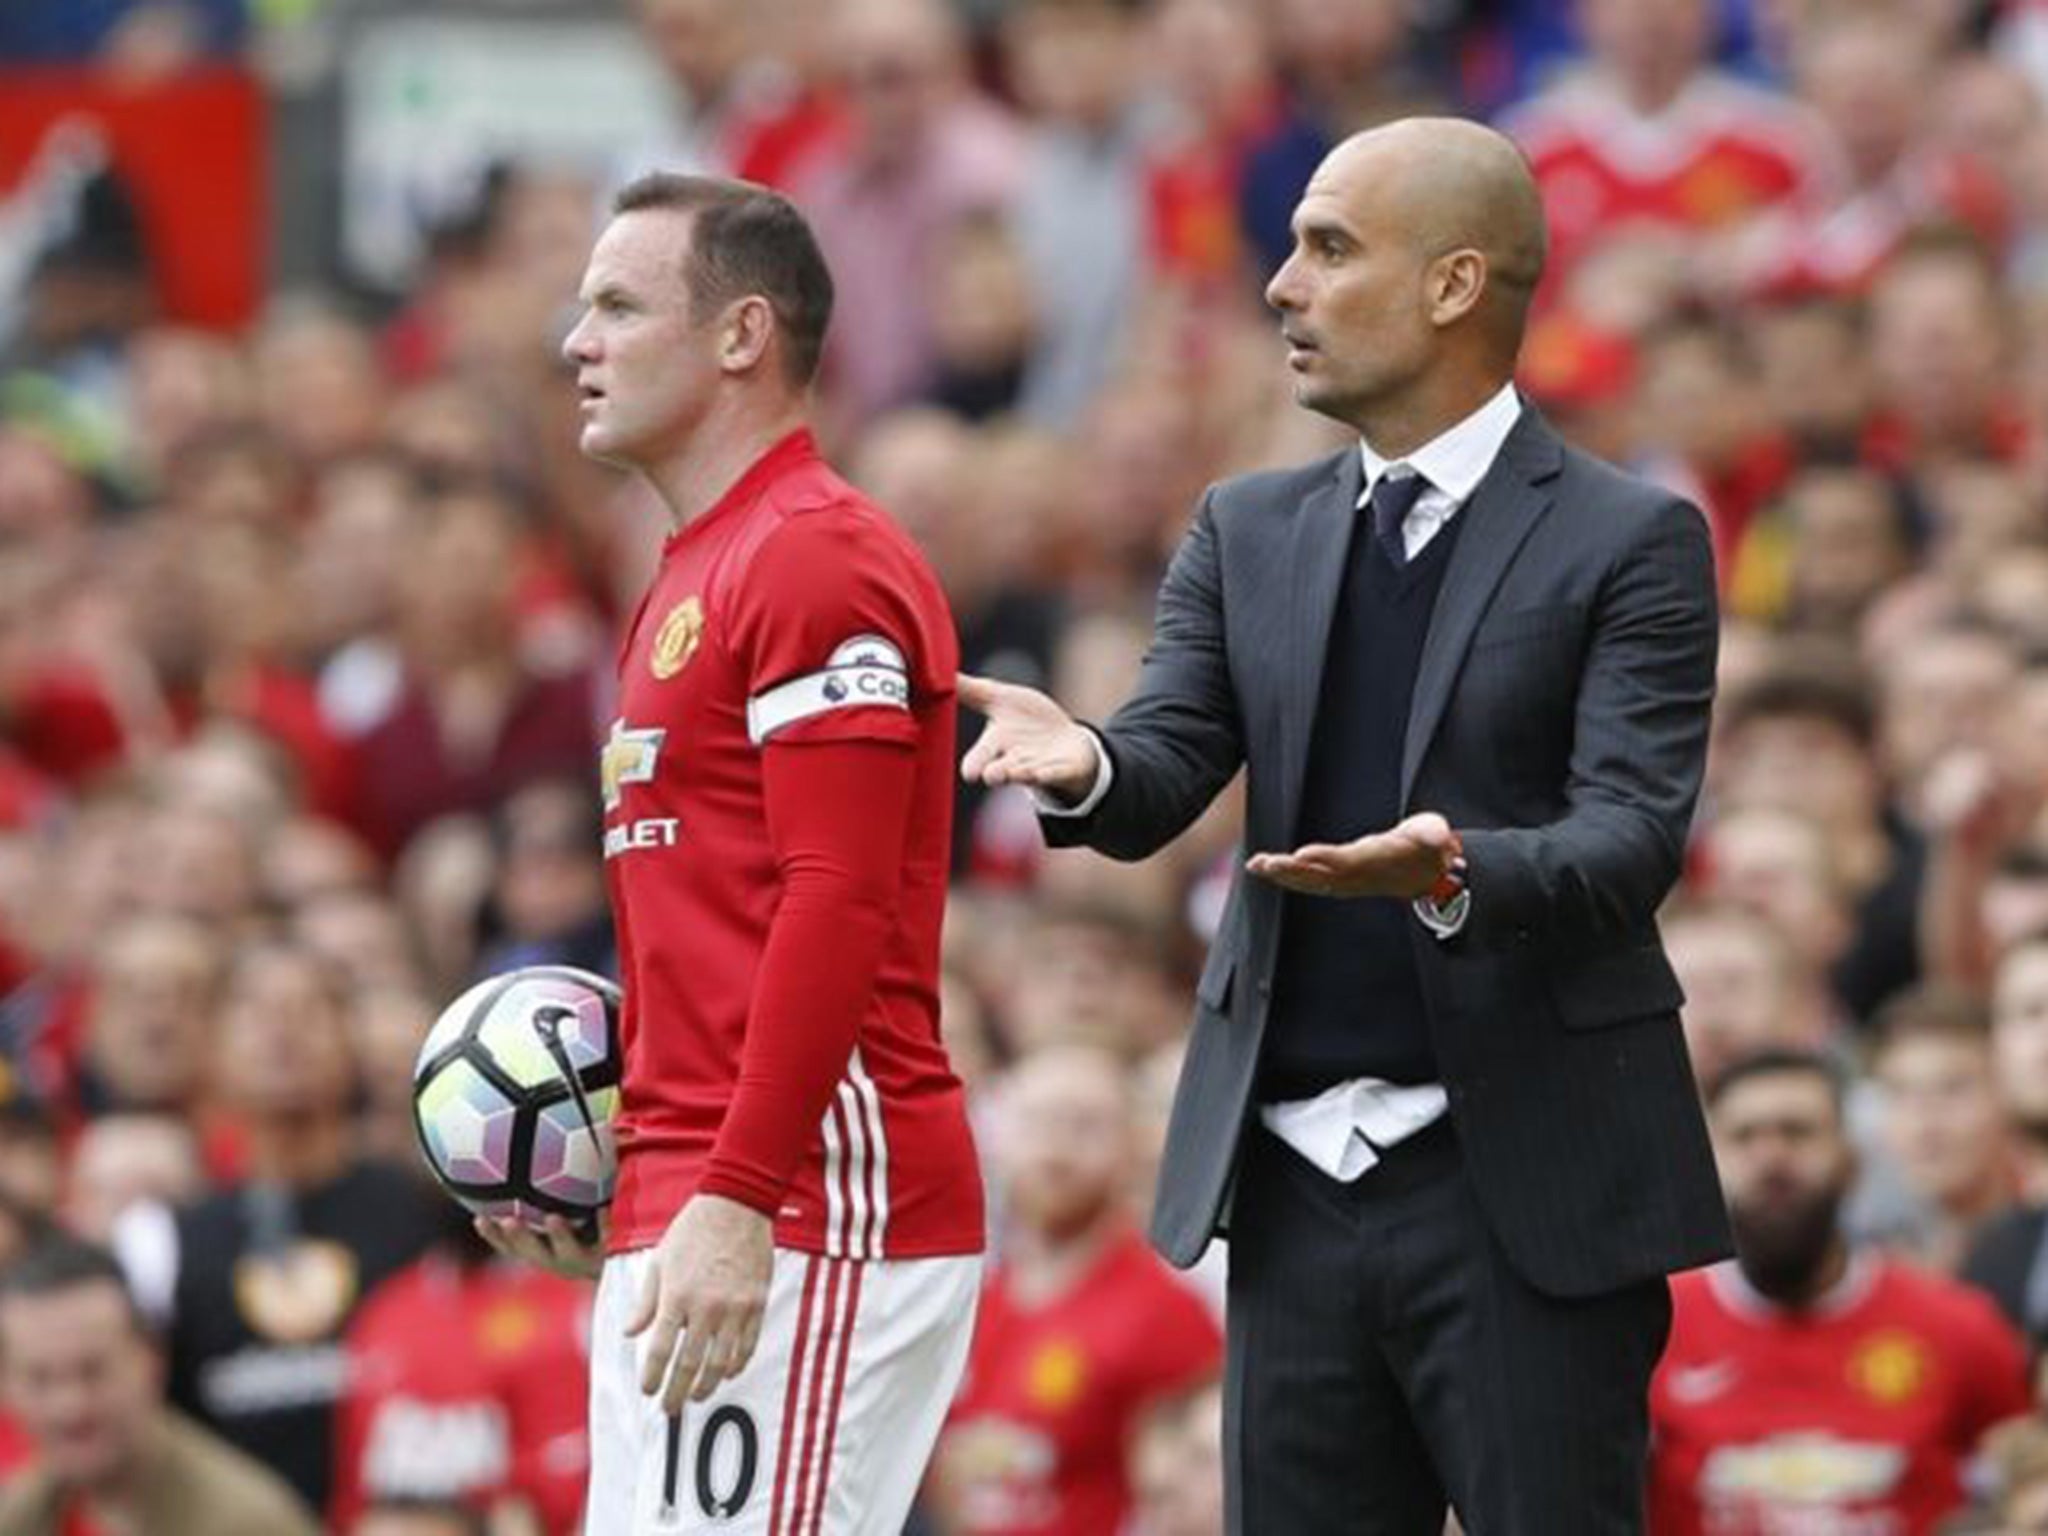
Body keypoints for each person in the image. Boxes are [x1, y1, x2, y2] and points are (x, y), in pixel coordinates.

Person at [960, 117, 1729, 1532]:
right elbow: (1166, 761)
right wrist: (1078, 766)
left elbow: (1630, 837)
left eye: (1329, 247)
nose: (1280, 286)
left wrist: (1449, 872)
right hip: (1294, 1183)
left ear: (1451, 286)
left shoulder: (1630, 539)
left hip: (1528, 1190)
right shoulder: (1246, 526)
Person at [479, 173, 983, 1535]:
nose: (574, 341)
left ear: (741, 336)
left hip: (815, 1201)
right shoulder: (687, 575)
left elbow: (839, 896)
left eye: (616, 305)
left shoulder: (816, 556)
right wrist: (635, 1175)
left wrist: (737, 1195)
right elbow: (711, 936)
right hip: (701, 1198)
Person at [1650, 1050, 2029, 1533]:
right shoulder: (1654, 1328)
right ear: (1705, 1165)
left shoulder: (1959, 1327)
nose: (1772, 1158)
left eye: (1798, 1132)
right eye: (1744, 1137)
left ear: (1851, 1160)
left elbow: (2027, 1486)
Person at [932, 1046, 1221, 1534]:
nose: (1056, 1146)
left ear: (1134, 1145)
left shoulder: (1167, 1313)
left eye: (1085, 1124)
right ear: (998, 1137)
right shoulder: (963, 1302)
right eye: (1038, 1121)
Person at [0, 1236, 320, 1536]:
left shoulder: (249, 1523)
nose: (70, 1405)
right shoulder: (18, 1516)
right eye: (39, 1379)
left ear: (151, 1359)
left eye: (93, 1371)